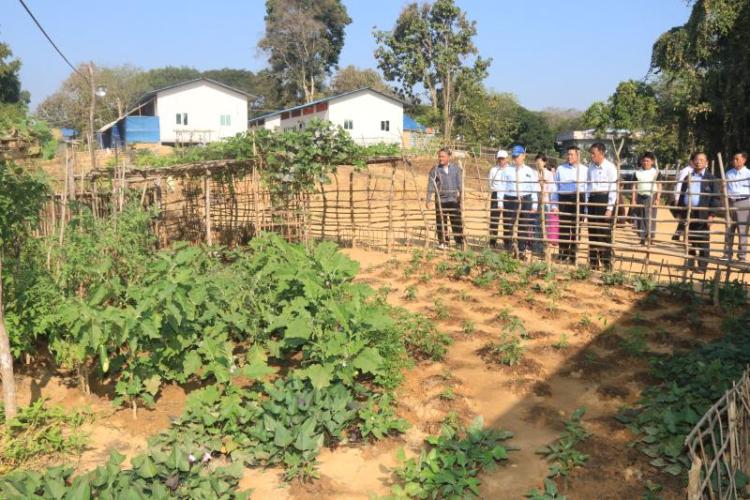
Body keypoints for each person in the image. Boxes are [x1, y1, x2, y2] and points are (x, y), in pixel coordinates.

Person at [675, 152, 719, 271]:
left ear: (706, 163)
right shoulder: (688, 177)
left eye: (701, 160)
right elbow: (682, 194)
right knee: (690, 239)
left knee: (703, 239)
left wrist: (712, 214)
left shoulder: (711, 179)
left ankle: (702, 266)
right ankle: (690, 263)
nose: (698, 162)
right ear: (692, 162)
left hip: (703, 213)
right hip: (688, 213)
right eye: (696, 160)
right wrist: (680, 211)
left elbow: (716, 198)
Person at [551, 145, 588, 264]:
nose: (569, 156)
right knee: (564, 228)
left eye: (572, 154)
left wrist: (586, 208)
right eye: (568, 154)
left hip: (579, 199)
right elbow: (555, 187)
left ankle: (573, 255)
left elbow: (587, 190)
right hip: (564, 199)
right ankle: (563, 254)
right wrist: (554, 205)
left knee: (576, 228)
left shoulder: (585, 170)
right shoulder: (561, 169)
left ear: (578, 155)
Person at [500, 145, 539, 258]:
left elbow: (534, 188)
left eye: (517, 156)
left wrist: (534, 204)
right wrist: (500, 202)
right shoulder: (507, 170)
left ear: (523, 156)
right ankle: (509, 249)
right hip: (510, 199)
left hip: (526, 199)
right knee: (509, 224)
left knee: (524, 225)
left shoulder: (529, 171)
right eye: (514, 157)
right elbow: (502, 186)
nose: (515, 159)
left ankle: (521, 250)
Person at [586, 143, 619, 270]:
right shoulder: (590, 167)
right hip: (592, 199)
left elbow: (613, 189)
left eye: (593, 153)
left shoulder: (610, 167)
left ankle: (606, 263)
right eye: (591, 153)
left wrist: (609, 208)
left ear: (601, 153)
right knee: (592, 231)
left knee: (604, 232)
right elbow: (588, 185)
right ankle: (594, 263)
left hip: (604, 200)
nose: (592, 156)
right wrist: (586, 204)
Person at [426, 148, 464, 248]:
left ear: (449, 157)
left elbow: (459, 184)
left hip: (454, 199)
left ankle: (459, 242)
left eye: (443, 156)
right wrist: (428, 199)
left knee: (456, 221)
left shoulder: (455, 169)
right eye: (439, 156)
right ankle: (443, 242)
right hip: (440, 200)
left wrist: (461, 197)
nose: (440, 158)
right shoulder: (435, 170)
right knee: (441, 221)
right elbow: (430, 185)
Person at [724, 151, 750, 261]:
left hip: (744, 202)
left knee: (742, 230)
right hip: (730, 202)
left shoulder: (748, 174)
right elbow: (725, 188)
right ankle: (727, 254)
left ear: (744, 160)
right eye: (733, 159)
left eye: (737, 159)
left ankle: (742, 255)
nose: (734, 161)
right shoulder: (729, 173)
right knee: (729, 228)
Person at [631, 152, 660, 245]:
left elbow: (659, 185)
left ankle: (651, 237)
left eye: (647, 161)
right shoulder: (637, 172)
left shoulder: (655, 172)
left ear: (652, 162)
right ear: (641, 161)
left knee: (650, 217)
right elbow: (634, 186)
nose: (645, 162)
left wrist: (658, 198)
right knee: (640, 217)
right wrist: (633, 199)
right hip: (640, 196)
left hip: (651, 196)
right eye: (644, 161)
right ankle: (642, 238)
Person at [533, 153, 556, 255]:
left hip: (545, 201)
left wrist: (544, 190)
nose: (539, 163)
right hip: (535, 202)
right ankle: (536, 248)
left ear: (545, 162)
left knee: (544, 225)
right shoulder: (534, 173)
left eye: (541, 161)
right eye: (537, 161)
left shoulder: (549, 174)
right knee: (536, 224)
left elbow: (552, 188)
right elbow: (532, 187)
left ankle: (543, 247)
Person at [671, 158, 697, 241]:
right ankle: (681, 235)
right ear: (691, 161)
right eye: (695, 160)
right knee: (686, 217)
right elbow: (679, 184)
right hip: (684, 197)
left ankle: (678, 234)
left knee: (687, 217)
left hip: (692, 198)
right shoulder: (686, 171)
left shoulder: (695, 171)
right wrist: (677, 197)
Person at [488, 149, 509, 248]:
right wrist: (496, 191)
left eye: (503, 158)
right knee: (494, 219)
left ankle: (507, 242)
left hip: (507, 195)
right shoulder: (493, 170)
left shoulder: (511, 170)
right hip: (496, 195)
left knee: (507, 219)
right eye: (499, 158)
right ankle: (492, 242)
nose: (501, 160)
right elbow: (490, 183)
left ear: (507, 159)